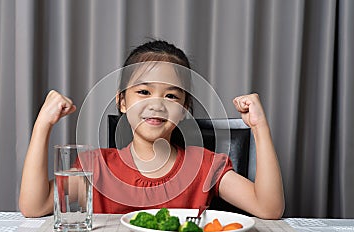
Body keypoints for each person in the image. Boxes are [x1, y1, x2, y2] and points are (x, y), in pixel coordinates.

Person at [19, 40, 284, 219]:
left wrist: (259, 127)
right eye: (143, 92)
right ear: (122, 101)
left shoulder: (204, 166)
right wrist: (43, 124)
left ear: (185, 109)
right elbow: (35, 206)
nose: (156, 104)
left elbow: (269, 208)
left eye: (171, 96)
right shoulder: (96, 167)